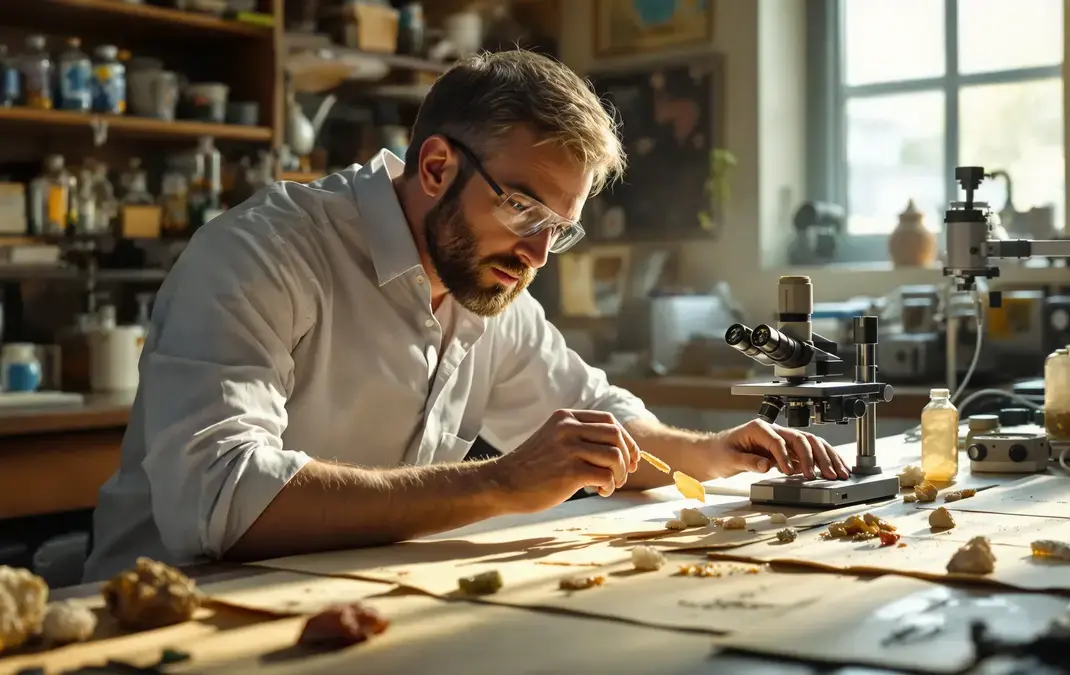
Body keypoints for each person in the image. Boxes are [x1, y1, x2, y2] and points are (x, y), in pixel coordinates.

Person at [82, 50, 849, 582]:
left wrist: (718, 451)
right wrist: (503, 482)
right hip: (167, 614)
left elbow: (600, 423)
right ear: (438, 165)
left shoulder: (489, 284)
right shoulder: (262, 254)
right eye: (522, 208)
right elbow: (220, 498)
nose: (540, 253)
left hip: (345, 604)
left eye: (561, 227)